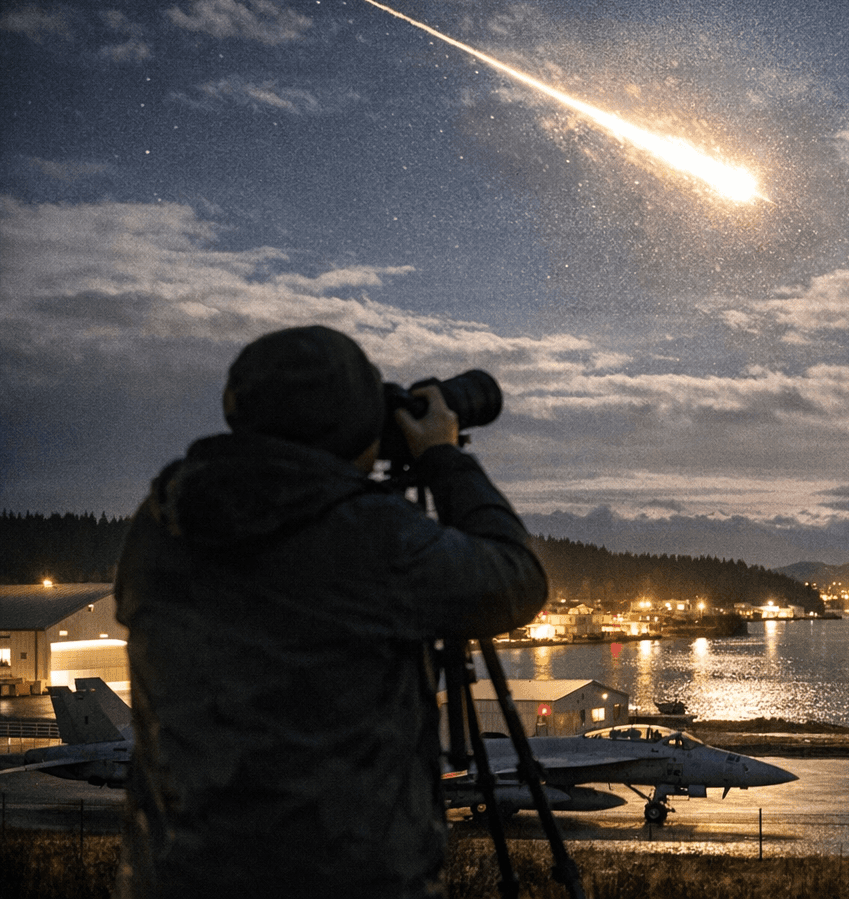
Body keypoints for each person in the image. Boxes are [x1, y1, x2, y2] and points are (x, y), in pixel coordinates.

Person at [114, 325, 548, 898]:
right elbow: (516, 579)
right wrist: (443, 458)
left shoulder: (161, 521)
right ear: (353, 424)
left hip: (175, 875)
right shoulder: (366, 536)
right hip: (344, 877)